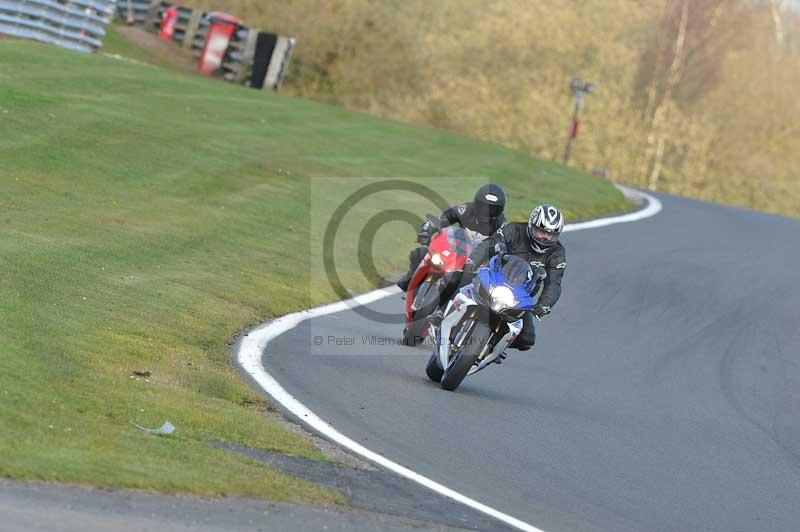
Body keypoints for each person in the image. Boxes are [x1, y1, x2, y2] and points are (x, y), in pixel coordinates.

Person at [459, 204, 566, 352]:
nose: (545, 237)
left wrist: (544, 304)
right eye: (541, 231)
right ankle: (442, 314)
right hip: (492, 278)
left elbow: (554, 283)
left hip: (519, 297)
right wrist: (472, 263)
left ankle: (495, 346)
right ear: (531, 225)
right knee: (460, 277)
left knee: (527, 340)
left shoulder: (557, 253)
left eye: (550, 235)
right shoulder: (514, 230)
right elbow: (490, 244)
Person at [396, 184, 507, 292]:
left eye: (492, 209)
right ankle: (410, 278)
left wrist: (503, 255)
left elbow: (506, 245)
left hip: (474, 263)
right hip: (455, 250)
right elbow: (442, 218)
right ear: (477, 203)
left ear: (500, 210)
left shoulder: (502, 225)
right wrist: (427, 230)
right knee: (420, 253)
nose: (487, 212)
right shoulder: (464, 210)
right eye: (484, 207)